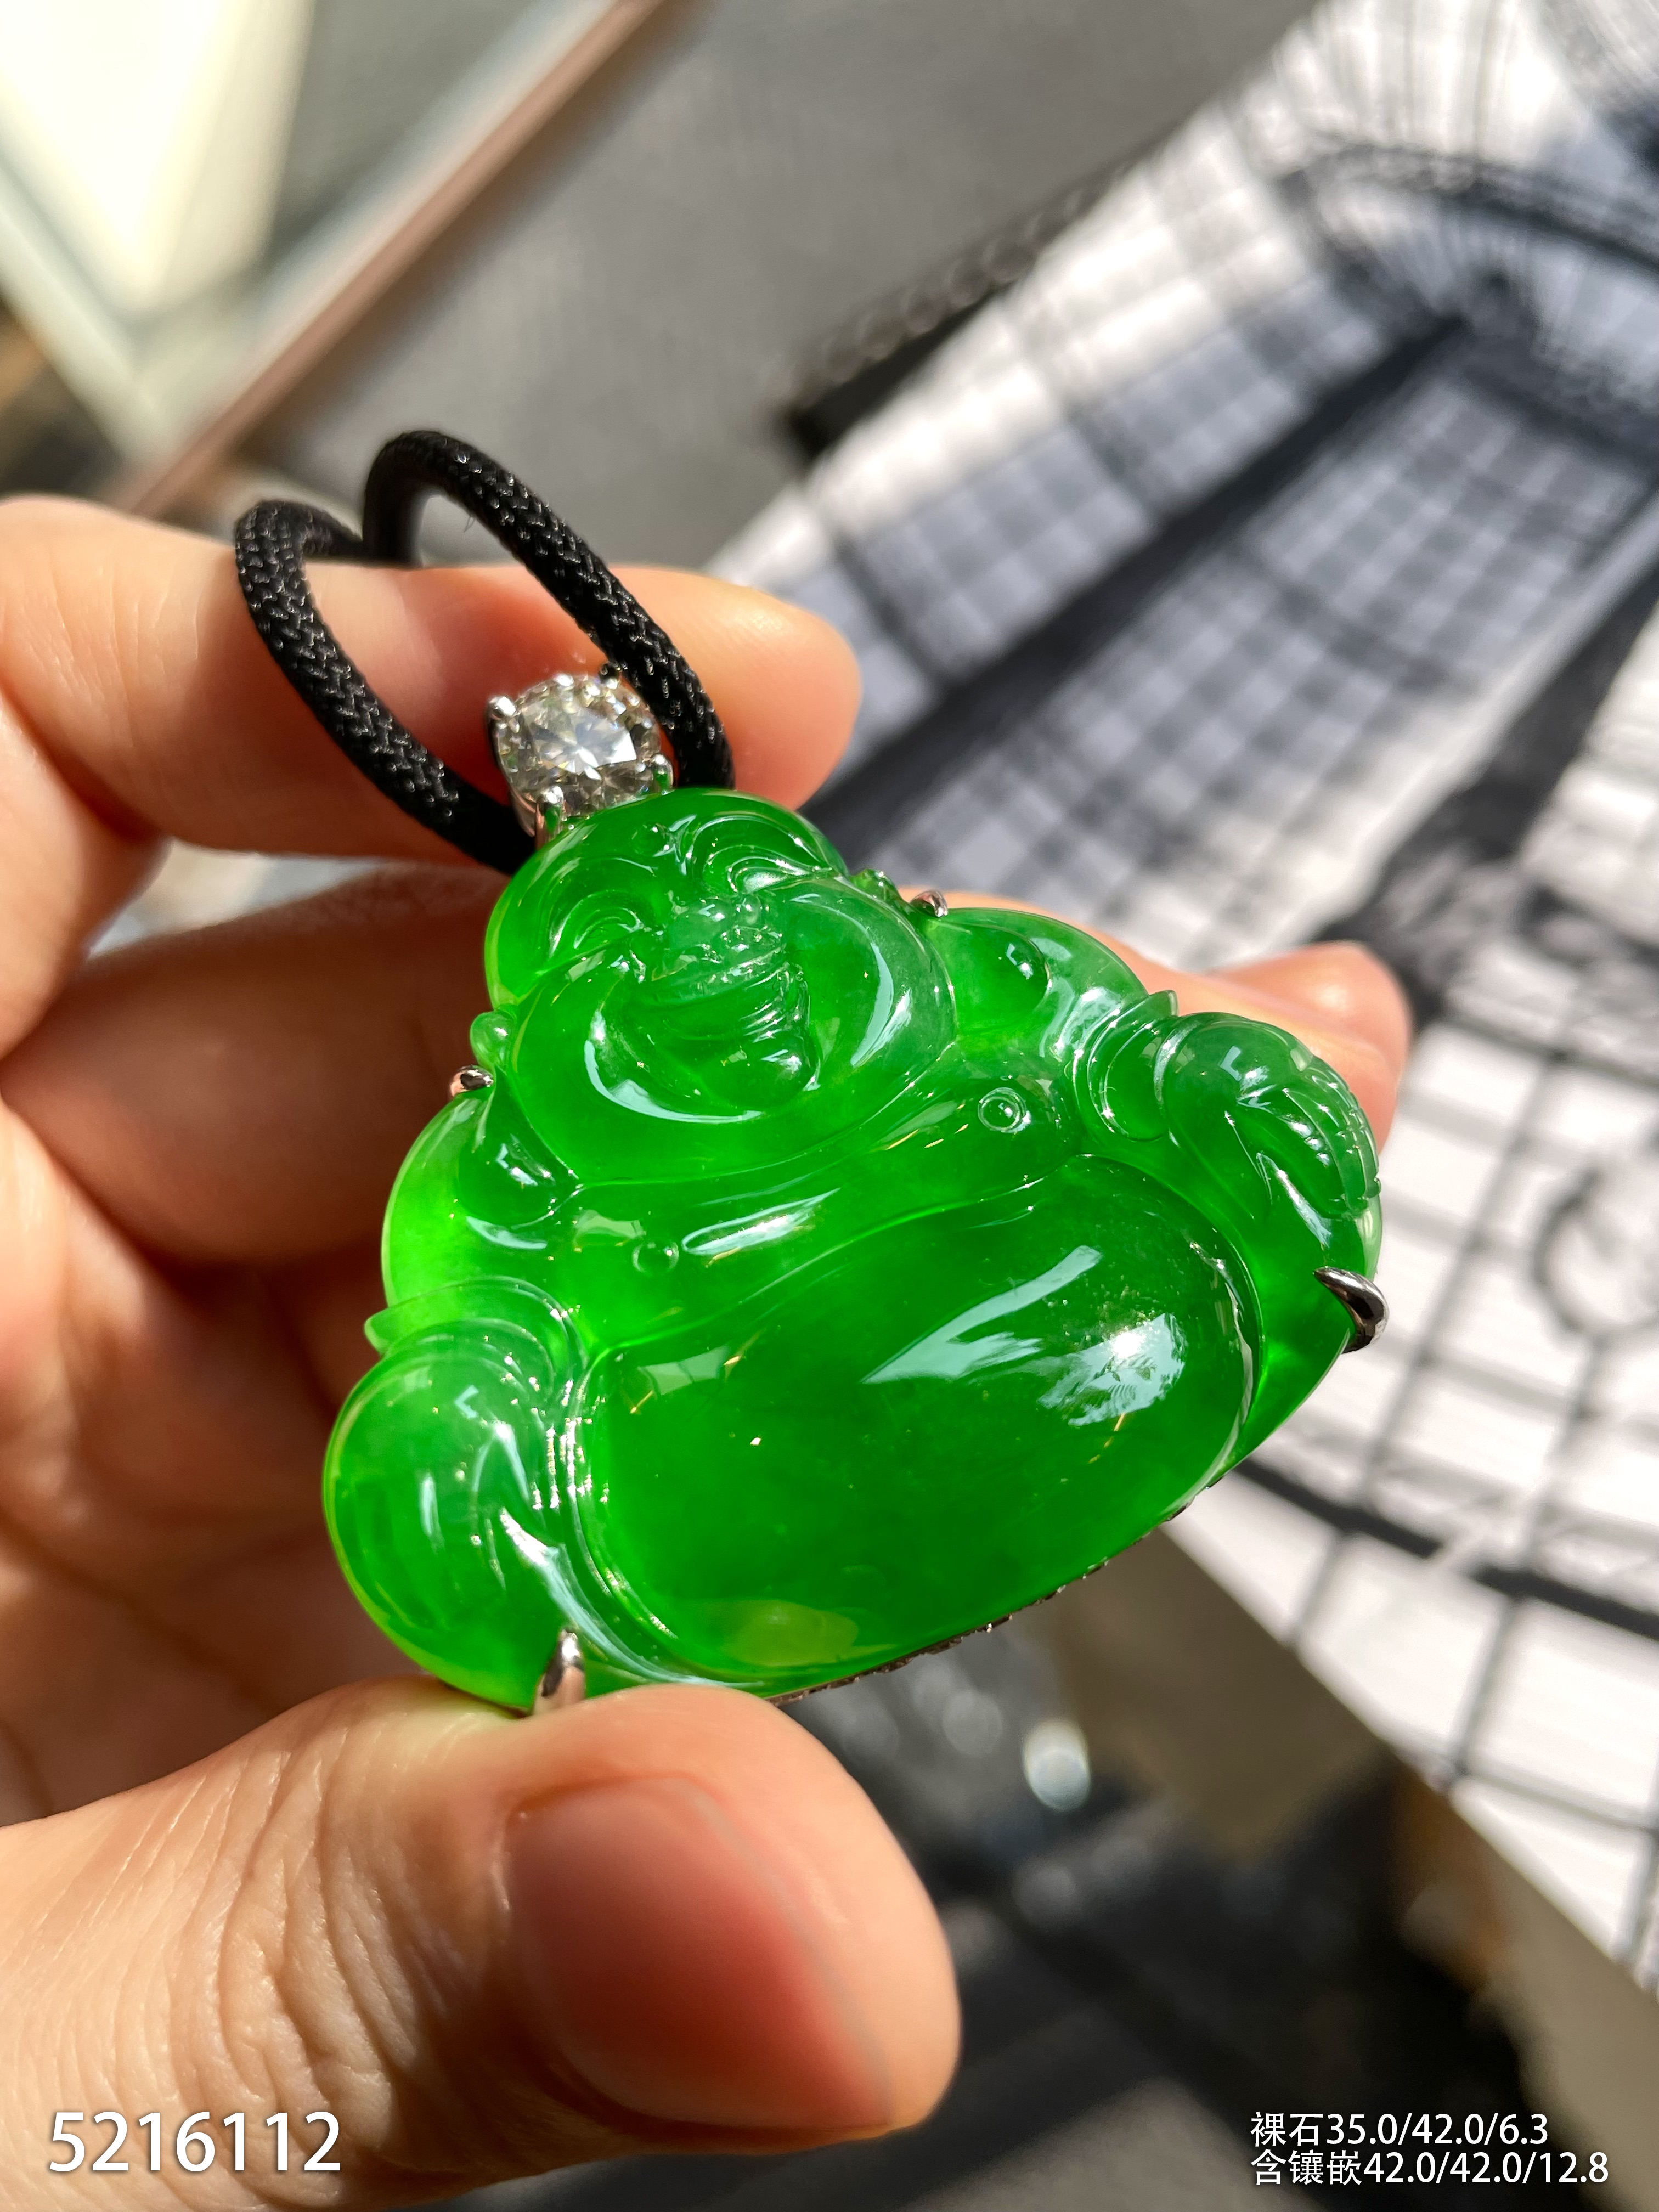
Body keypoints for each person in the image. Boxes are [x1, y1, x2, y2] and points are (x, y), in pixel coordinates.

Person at [0, 495, 1406, 2205]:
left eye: (752, 908)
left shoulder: (982, 985)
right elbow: (475, 1359)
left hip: (1105, 1300)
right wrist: (470, 1437)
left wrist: (1215, 1120)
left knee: (1247, 1078)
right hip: (725, 1480)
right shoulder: (511, 1166)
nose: (710, 969)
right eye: (623, 963)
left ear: (863, 905)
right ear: (530, 1029)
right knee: (428, 1455)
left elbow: (1140, 1055)